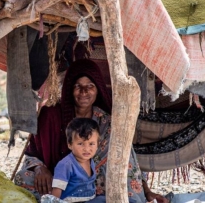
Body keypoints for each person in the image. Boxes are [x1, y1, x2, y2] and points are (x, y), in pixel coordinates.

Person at [14, 59, 168, 203]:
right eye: (77, 86)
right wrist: (40, 168)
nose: (83, 92)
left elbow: (129, 158)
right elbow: (32, 152)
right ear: (69, 89)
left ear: (98, 89)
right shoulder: (51, 115)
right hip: (59, 178)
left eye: (90, 86)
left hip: (93, 183)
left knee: (121, 162)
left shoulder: (106, 121)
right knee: (24, 177)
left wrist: (146, 190)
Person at [40, 118, 100, 203]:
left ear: (97, 144)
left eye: (91, 144)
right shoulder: (66, 165)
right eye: (80, 144)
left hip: (90, 199)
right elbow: (57, 189)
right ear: (70, 145)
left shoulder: (90, 160)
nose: (87, 149)